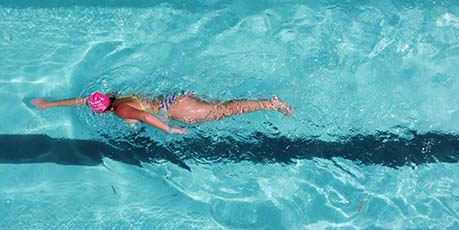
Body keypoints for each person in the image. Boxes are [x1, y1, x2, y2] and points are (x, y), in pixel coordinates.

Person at [31, 89, 293, 135]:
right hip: (173, 98)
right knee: (222, 106)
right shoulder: (114, 97)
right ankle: (266, 102)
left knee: (222, 112)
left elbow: (145, 117)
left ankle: (271, 103)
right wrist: (50, 104)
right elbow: (83, 100)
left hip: (177, 110)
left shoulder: (121, 110)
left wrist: (170, 129)